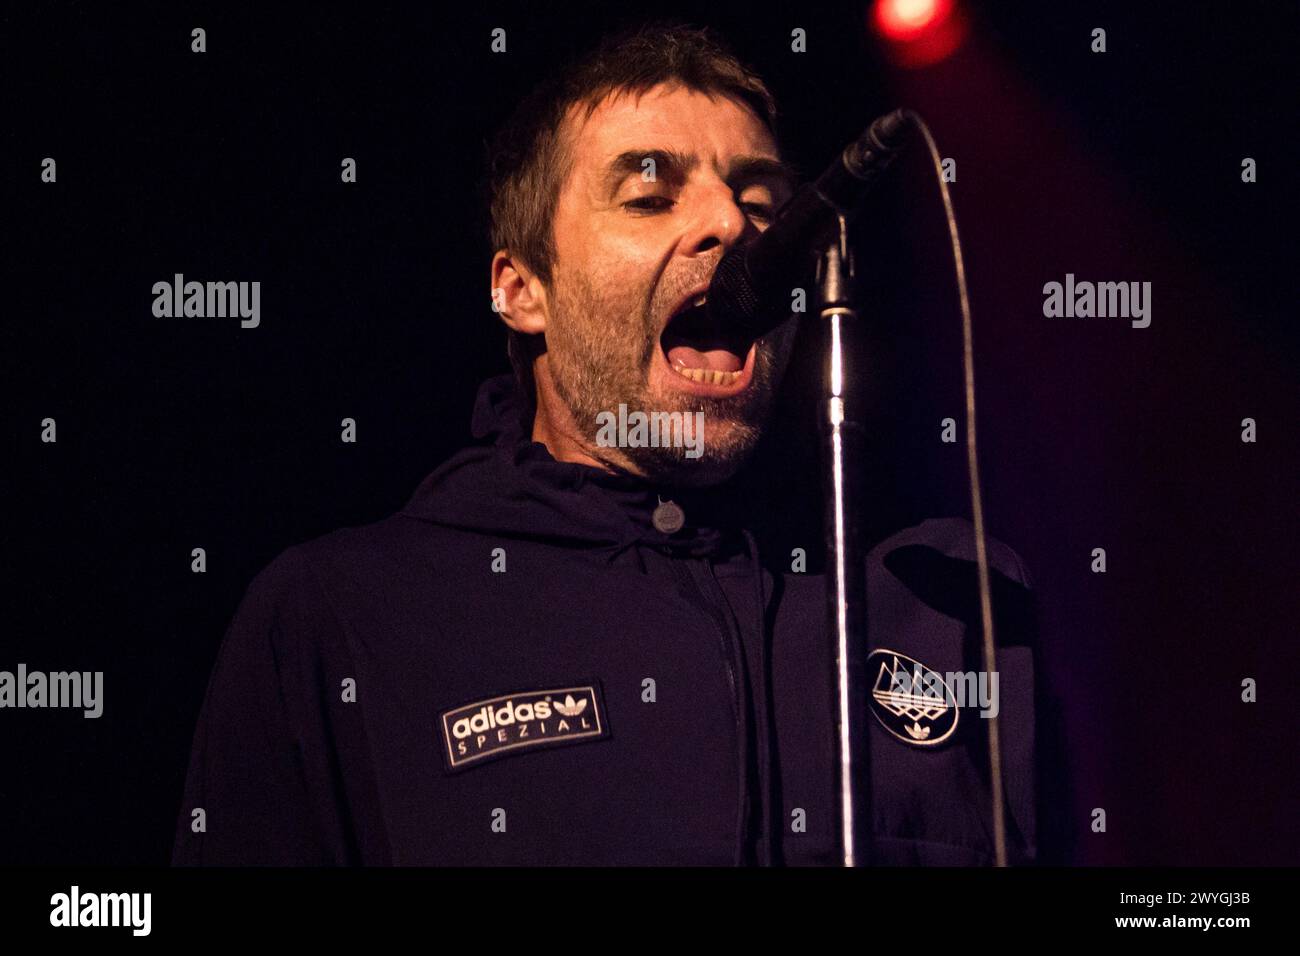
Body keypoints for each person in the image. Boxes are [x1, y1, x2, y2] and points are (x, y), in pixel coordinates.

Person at [173, 22, 1064, 866]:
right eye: (651, 194)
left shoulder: (944, 600)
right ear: (523, 290)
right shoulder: (343, 615)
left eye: (761, 199)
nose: (729, 223)